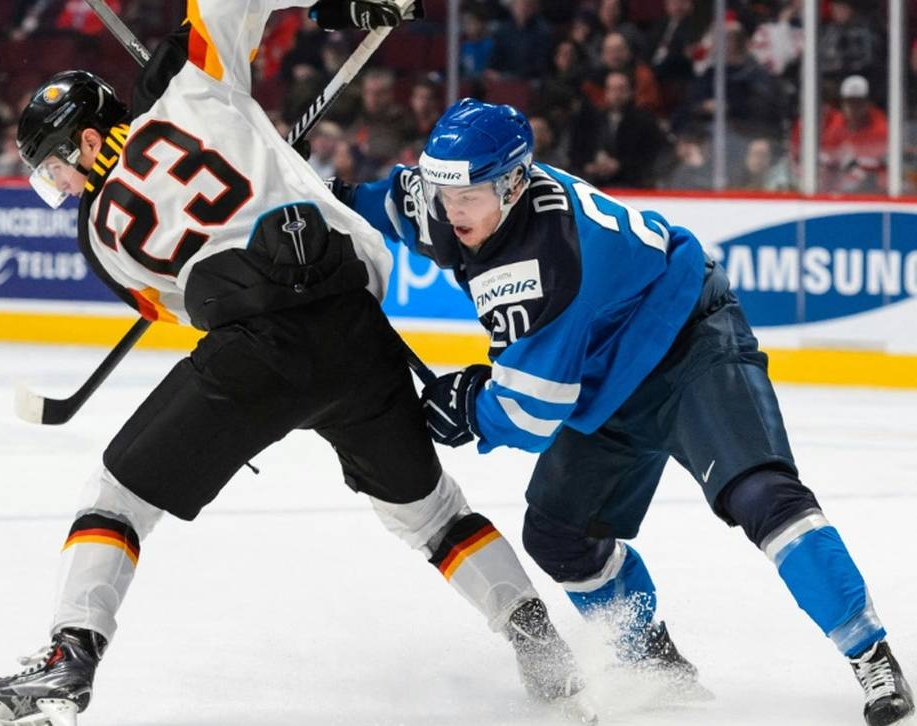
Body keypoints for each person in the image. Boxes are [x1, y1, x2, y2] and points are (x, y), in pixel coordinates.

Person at [0, 4, 596, 726]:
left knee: (116, 498)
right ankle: (542, 647)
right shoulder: (190, 79)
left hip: (255, 354)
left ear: (91, 137)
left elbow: (178, 305)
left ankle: (69, 658)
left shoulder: (100, 242)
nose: (62, 188)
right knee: (434, 514)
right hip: (356, 332)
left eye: (56, 168)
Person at [336, 99, 915, 726]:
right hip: (608, 378)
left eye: (468, 196)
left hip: (690, 346)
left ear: (514, 183)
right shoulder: (456, 200)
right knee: (559, 537)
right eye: (444, 192)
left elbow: (531, 415)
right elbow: (375, 203)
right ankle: (653, 659)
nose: (452, 211)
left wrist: (472, 407)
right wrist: (292, 189)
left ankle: (870, 653)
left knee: (762, 496)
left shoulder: (547, 260)